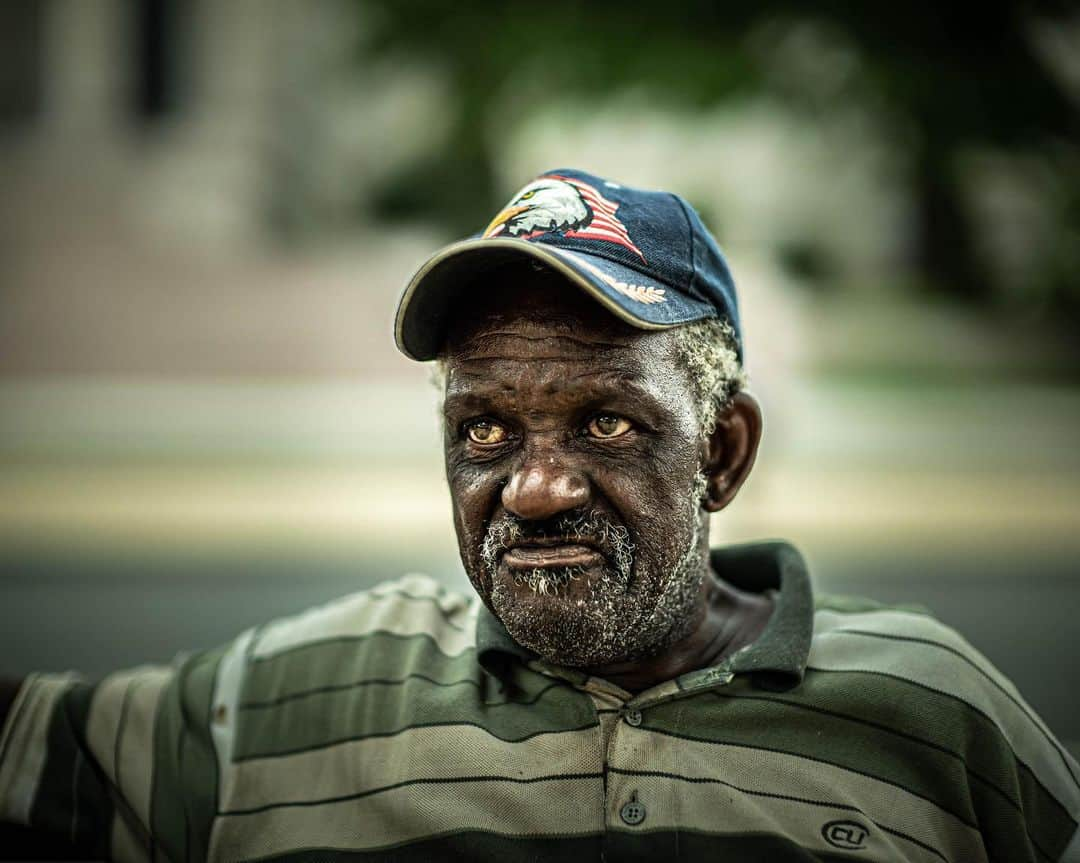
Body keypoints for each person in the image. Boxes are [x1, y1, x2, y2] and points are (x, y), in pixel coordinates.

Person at [1, 168, 1078, 862]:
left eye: (607, 424)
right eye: (484, 430)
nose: (536, 488)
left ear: (723, 451)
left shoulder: (937, 713)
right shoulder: (298, 699)